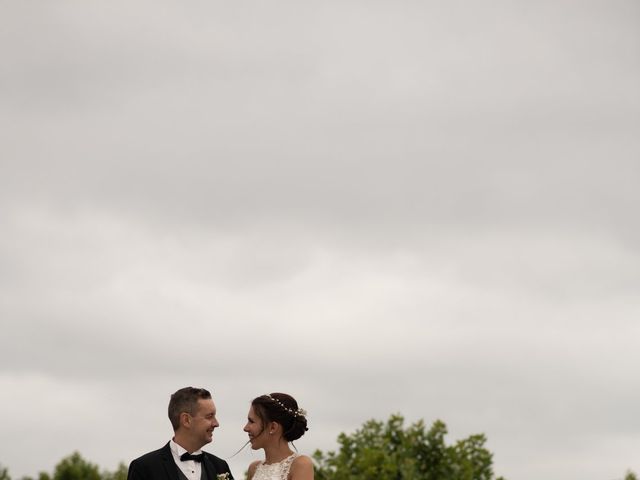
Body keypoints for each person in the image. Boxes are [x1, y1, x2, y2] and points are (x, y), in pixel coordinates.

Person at [128, 387, 234, 480]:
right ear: (186, 420)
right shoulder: (144, 468)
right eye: (209, 416)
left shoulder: (220, 467)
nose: (216, 423)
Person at [243, 393, 314, 480]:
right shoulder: (253, 469)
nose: (245, 428)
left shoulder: (300, 464)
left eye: (251, 421)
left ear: (273, 427)